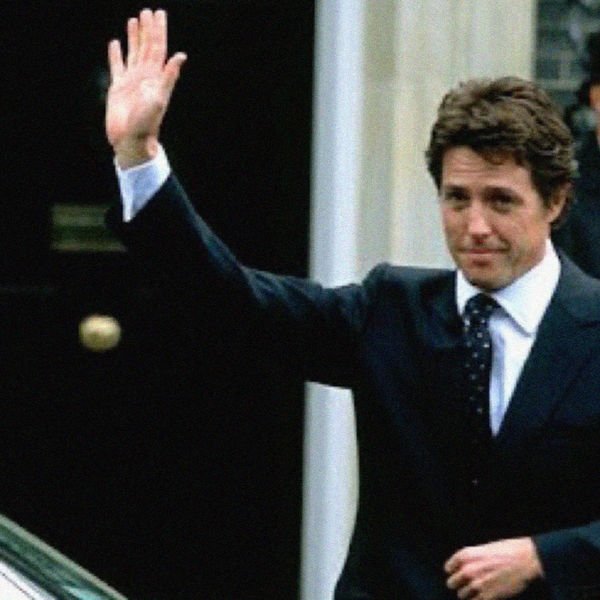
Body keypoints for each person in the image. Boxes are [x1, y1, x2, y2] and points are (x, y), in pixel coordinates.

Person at [105, 9, 600, 600]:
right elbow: (232, 302)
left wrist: (545, 556)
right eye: (456, 198)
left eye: (500, 201)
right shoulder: (390, 308)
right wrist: (139, 156)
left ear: (555, 202)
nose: (474, 226)